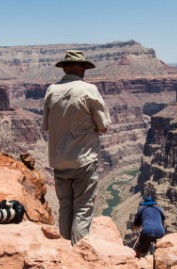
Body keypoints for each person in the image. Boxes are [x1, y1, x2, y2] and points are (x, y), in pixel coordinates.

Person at [42, 50, 111, 245]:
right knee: (82, 209)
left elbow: (46, 125)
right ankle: (79, 254)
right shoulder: (89, 90)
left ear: (64, 67)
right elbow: (103, 126)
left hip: (59, 161)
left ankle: (65, 250)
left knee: (65, 207)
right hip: (83, 161)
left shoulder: (51, 90)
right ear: (82, 68)